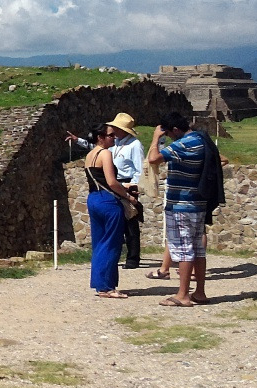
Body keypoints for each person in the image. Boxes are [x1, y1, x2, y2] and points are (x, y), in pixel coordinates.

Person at [147, 111, 222, 307]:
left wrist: (155, 139)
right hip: (198, 203)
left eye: (168, 133)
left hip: (181, 205)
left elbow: (153, 158)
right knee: (198, 249)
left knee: (183, 249)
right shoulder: (201, 139)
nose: (168, 137)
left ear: (175, 129)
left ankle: (183, 295)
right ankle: (200, 292)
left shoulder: (184, 144)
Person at [68, 113, 145, 268]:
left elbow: (139, 168)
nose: (114, 133)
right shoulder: (111, 145)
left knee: (131, 223)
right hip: (111, 183)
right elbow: (97, 148)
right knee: (113, 227)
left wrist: (133, 187)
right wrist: (78, 141)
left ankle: (133, 257)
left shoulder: (134, 145)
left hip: (127, 182)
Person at [82, 123, 136, 299]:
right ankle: (107, 286)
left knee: (99, 242)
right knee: (112, 242)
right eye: (111, 135)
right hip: (107, 201)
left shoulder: (90, 155)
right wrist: (128, 197)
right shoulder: (105, 153)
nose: (114, 138)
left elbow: (100, 180)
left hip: (93, 198)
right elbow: (111, 182)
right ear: (100, 137)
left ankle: (100, 284)